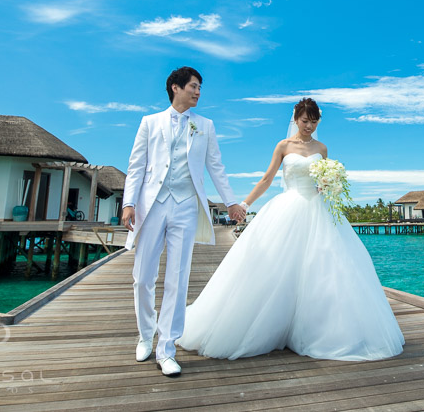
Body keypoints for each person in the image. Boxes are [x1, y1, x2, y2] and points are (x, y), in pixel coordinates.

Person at [178, 98, 404, 361]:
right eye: (305, 120)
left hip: (320, 211)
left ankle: (320, 329)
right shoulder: (283, 146)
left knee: (326, 270)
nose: (309, 126)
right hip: (289, 208)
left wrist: (329, 185)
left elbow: (322, 182)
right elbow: (267, 178)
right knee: (277, 268)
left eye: (314, 121)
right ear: (295, 119)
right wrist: (244, 204)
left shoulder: (322, 148)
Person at [121, 66, 246, 377]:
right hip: (153, 205)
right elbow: (136, 167)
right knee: (142, 277)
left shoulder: (205, 125)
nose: (198, 91)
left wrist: (230, 201)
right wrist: (129, 203)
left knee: (178, 279)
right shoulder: (149, 123)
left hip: (186, 206)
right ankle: (144, 334)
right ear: (175, 88)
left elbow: (215, 166)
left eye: (200, 87)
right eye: (193, 86)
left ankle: (167, 348)